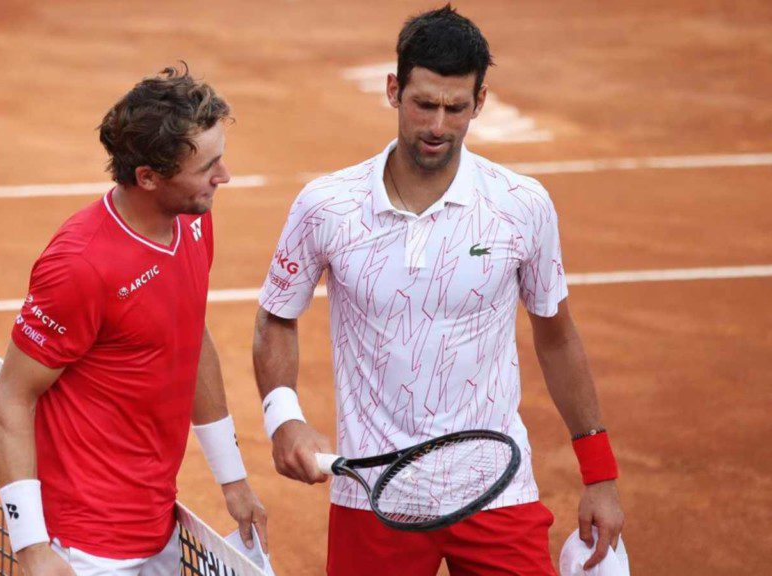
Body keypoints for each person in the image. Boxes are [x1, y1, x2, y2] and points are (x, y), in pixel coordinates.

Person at [253, 6, 623, 575]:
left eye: (456, 108)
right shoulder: (327, 205)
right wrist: (284, 416)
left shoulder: (521, 204)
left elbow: (556, 336)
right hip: (374, 498)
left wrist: (599, 474)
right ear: (393, 90)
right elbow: (277, 315)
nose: (437, 126)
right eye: (423, 104)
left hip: (494, 489)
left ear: (479, 103)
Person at [0, 66, 267, 576]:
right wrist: (31, 548)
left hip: (156, 526)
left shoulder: (194, 219)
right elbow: (12, 395)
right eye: (208, 166)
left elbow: (191, 336)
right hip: (83, 546)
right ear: (148, 177)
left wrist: (233, 480)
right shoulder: (80, 265)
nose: (224, 176)